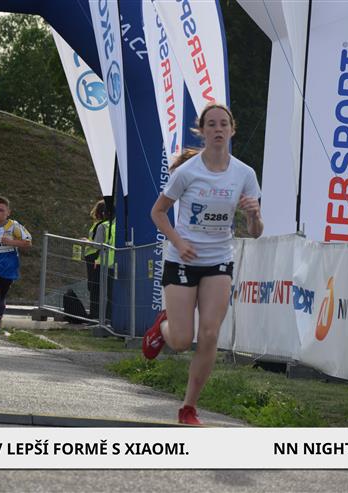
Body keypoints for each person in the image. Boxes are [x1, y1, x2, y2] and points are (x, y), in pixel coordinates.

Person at [142, 103, 264, 425]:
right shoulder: (187, 172)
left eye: (224, 124)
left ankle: (189, 407)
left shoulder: (245, 174)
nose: (218, 129)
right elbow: (157, 212)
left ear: (232, 130)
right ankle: (163, 326)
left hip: (218, 260)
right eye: (212, 124)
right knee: (182, 341)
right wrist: (178, 242)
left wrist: (253, 215)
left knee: (209, 334)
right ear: (202, 131)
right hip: (183, 259)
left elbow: (255, 232)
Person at [0, 196, 32, 346]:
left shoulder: (14, 226)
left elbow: (28, 243)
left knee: (1, 297)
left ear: (8, 212)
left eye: (1, 210)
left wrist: (11, 242)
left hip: (9, 268)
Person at [84, 200, 108, 319]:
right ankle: (96, 313)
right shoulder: (103, 224)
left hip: (94, 257)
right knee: (94, 286)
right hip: (95, 257)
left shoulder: (101, 225)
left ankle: (94, 314)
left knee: (94, 286)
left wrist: (87, 242)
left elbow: (97, 244)